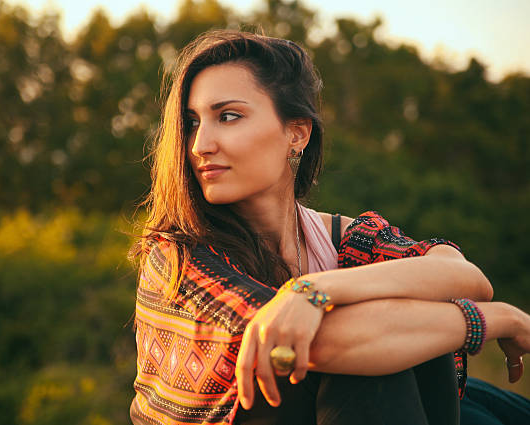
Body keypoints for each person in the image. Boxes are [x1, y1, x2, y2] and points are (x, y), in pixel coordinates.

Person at [129, 29, 530, 425]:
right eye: (193, 122)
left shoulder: (345, 239)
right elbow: (333, 345)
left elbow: (465, 278)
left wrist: (315, 290)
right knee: (369, 358)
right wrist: (496, 320)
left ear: (296, 133)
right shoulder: (177, 257)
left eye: (228, 116)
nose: (200, 144)